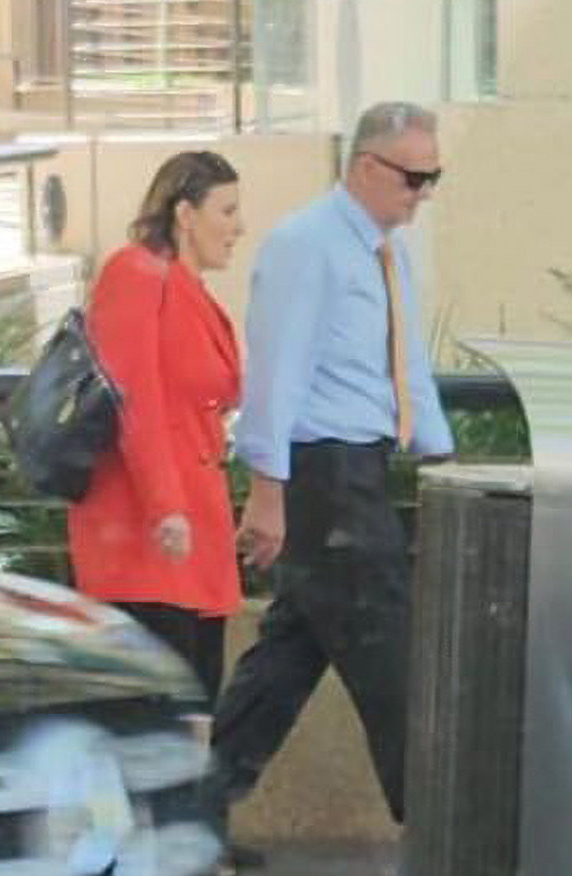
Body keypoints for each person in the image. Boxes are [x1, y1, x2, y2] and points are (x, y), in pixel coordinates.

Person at [207, 102, 454, 866]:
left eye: (434, 177)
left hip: (363, 468)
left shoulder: (388, 251)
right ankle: (449, 831)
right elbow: (276, 374)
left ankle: (187, 816)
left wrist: (443, 454)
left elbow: (404, 363)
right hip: (326, 473)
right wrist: (268, 488)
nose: (423, 193)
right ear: (366, 167)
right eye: (414, 177)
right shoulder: (306, 245)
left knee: (288, 657)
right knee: (395, 660)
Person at [68, 150, 243, 716]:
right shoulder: (135, 273)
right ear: (185, 214)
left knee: (188, 719)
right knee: (158, 729)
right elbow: (132, 397)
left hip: (192, 538)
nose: (239, 227)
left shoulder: (188, 291)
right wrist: (166, 507)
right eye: (228, 210)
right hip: (144, 539)